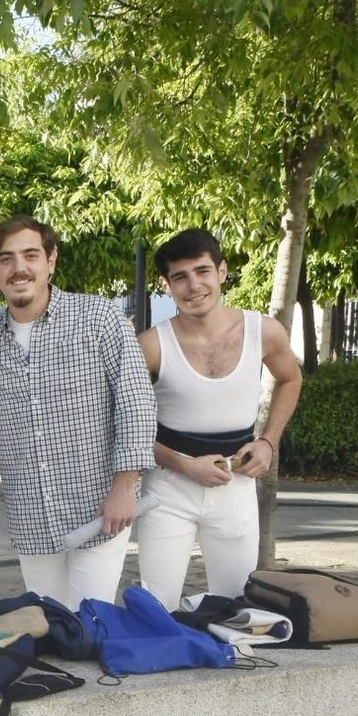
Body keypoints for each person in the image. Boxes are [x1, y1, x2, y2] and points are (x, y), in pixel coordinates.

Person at [0, 216, 157, 608]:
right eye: (6, 259)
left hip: (99, 508)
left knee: (93, 621)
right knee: (49, 625)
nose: (19, 268)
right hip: (31, 517)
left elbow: (136, 401)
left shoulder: (98, 318)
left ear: (51, 260)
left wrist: (125, 487)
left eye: (30, 255)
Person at [135, 229, 302, 607]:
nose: (194, 285)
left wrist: (268, 441)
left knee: (237, 604)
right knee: (157, 605)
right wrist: (184, 464)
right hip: (169, 487)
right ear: (166, 285)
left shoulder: (264, 331)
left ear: (222, 271)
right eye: (180, 277)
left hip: (236, 483)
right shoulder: (151, 346)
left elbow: (291, 378)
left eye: (202, 271)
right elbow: (126, 424)